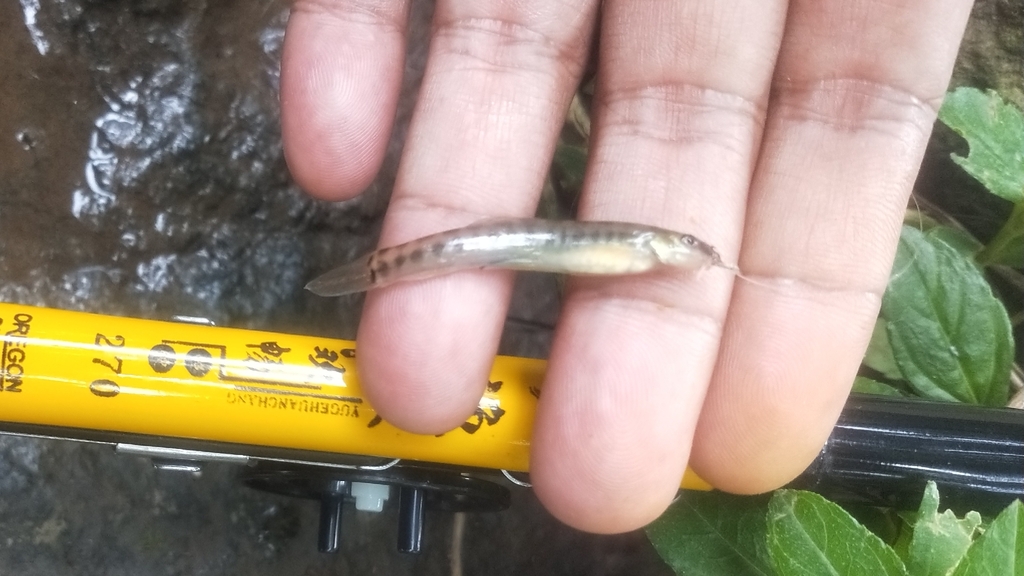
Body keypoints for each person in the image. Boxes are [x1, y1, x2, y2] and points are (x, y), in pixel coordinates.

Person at [279, 0, 974, 533]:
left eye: (694, 252)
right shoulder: (648, 247)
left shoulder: (649, 254)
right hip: (486, 240)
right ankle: (379, 270)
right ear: (664, 247)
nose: (696, 257)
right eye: (691, 249)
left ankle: (382, 271)